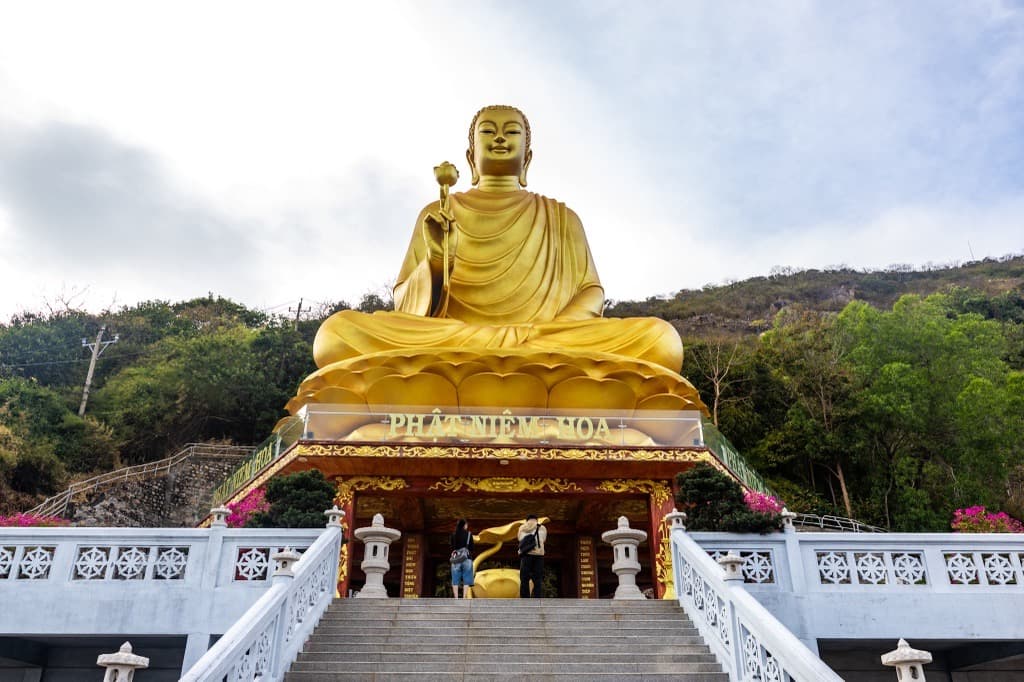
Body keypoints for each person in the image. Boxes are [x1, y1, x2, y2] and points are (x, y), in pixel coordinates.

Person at [312, 105, 683, 373]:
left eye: (512, 132)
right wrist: (438, 263)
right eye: (488, 131)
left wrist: (544, 332)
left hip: (543, 340)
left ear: (528, 157)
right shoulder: (439, 212)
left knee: (660, 340)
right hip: (457, 338)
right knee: (336, 334)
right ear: (471, 156)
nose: (501, 138)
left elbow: (591, 293)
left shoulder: (561, 217)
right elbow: (403, 307)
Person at [517, 514, 547, 598]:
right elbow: (544, 539)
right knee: (537, 578)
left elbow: (519, 539)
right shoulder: (542, 528)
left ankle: (525, 598)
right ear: (536, 520)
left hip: (526, 554)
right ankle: (537, 597)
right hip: (539, 555)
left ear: (527, 520)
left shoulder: (522, 527)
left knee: (524, 578)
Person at [450, 518, 474, 599]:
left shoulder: (453, 534)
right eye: (466, 524)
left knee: (455, 579)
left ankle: (456, 598)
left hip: (456, 558)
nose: (467, 526)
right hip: (467, 558)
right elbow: (472, 548)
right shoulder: (469, 534)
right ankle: (464, 598)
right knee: (466, 579)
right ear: (464, 525)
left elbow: (452, 547)